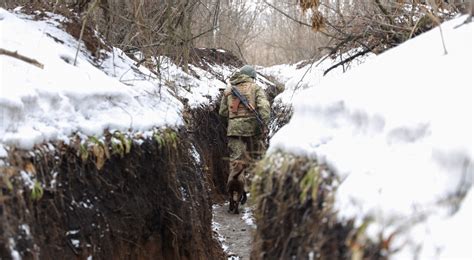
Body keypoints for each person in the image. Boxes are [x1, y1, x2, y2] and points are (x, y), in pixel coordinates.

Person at [219, 65, 270, 213]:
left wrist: (232, 123)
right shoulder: (255, 87)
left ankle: (234, 197)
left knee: (236, 163)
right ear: (252, 76)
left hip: (234, 131)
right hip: (253, 131)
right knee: (254, 160)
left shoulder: (229, 90)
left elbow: (222, 112)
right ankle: (252, 193)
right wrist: (263, 124)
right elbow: (264, 107)